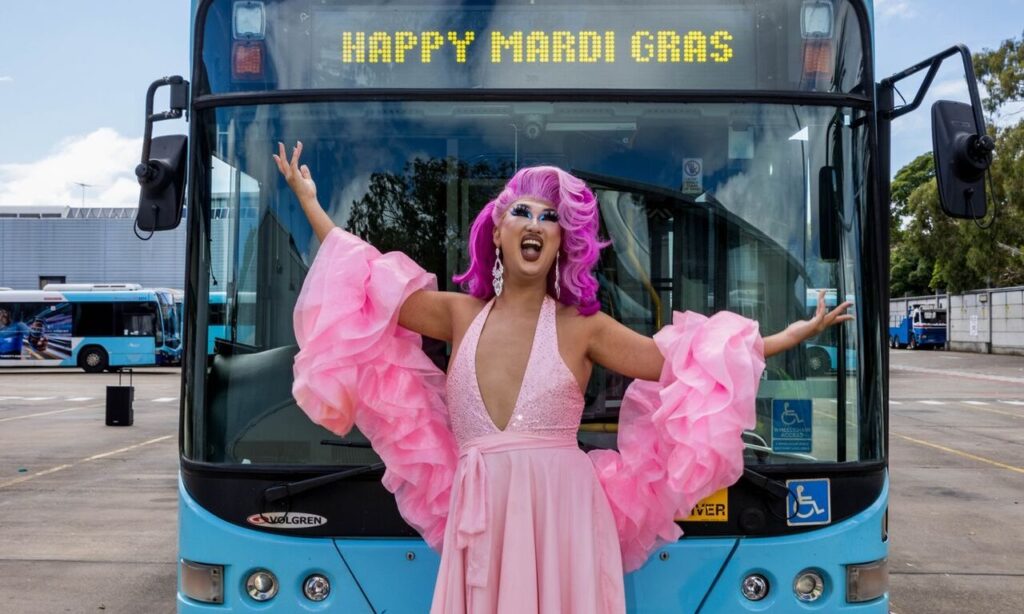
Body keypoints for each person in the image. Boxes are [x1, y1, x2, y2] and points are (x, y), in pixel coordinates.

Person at [274, 142, 852, 613]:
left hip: (564, 513)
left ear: (561, 243)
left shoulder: (584, 327)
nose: (535, 223)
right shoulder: (457, 314)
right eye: (521, 212)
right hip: (482, 506)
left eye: (549, 218)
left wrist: (784, 337)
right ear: (497, 232)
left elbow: (679, 359)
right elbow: (368, 279)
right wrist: (310, 204)